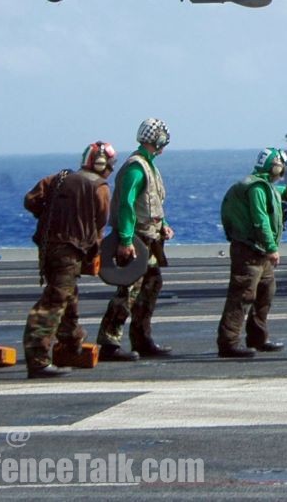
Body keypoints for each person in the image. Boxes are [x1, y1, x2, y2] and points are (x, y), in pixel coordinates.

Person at [21, 142, 113, 379]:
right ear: (105, 166)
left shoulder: (57, 178)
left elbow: (31, 200)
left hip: (48, 248)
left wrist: (54, 213)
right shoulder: (100, 188)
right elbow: (100, 222)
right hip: (71, 250)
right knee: (55, 301)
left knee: (69, 295)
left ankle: (71, 341)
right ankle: (38, 358)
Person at [96, 118, 175, 361]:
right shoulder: (136, 168)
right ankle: (109, 341)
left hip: (150, 239)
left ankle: (142, 338)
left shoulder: (149, 166)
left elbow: (150, 204)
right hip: (136, 240)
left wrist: (164, 227)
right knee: (128, 290)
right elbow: (126, 206)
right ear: (157, 139)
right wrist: (126, 240)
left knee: (151, 286)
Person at [217, 148, 287, 358]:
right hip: (250, 250)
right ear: (274, 166)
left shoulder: (264, 187)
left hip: (259, 252)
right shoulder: (256, 188)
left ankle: (257, 339)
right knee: (242, 295)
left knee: (266, 292)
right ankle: (229, 343)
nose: (282, 170)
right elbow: (260, 219)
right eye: (280, 166)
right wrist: (272, 248)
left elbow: (274, 192)